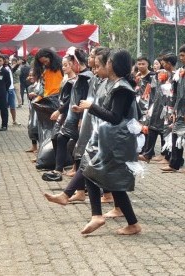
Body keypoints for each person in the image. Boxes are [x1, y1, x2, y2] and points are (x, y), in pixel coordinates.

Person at [80, 49, 142, 235]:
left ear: (114, 65)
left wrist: (92, 107)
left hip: (118, 142)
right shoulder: (115, 84)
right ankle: (132, 224)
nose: (106, 64)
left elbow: (115, 117)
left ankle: (97, 216)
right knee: (111, 181)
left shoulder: (122, 88)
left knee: (91, 173)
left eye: (108, 62)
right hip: (111, 140)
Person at [42, 48, 92, 182]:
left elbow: (88, 99)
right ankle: (59, 170)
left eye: (68, 64)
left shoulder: (87, 77)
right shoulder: (78, 77)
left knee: (79, 146)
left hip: (80, 117)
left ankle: (78, 174)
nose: (66, 67)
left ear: (75, 63)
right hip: (72, 115)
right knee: (61, 139)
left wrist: (82, 118)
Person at [161, 44, 185, 172]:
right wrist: (175, 109)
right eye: (180, 55)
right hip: (180, 110)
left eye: (183, 55)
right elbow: (177, 93)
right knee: (176, 135)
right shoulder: (181, 70)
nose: (181, 58)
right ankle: (174, 164)